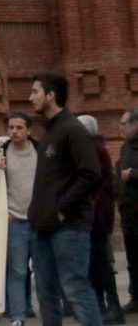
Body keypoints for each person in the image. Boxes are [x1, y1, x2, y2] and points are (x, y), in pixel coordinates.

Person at [27, 72, 103, 326]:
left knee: (76, 289)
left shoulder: (72, 129)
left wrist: (63, 209)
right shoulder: (49, 131)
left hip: (69, 228)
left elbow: (91, 174)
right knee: (46, 294)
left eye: (35, 91)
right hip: (42, 227)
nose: (30, 97)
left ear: (51, 95)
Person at [77, 115, 124, 325]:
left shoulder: (94, 150)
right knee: (96, 264)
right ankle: (101, 306)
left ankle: (111, 307)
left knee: (100, 264)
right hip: (97, 216)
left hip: (96, 217)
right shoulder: (96, 148)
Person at [0, 112, 39, 326]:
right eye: (11, 127)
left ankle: (50, 314)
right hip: (15, 221)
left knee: (43, 271)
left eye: (19, 127)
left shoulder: (40, 152)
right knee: (17, 271)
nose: (14, 131)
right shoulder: (1, 154)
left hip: (40, 221)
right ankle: (17, 317)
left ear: (29, 130)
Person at [118, 108, 138, 314]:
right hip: (129, 214)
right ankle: (136, 297)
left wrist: (133, 175)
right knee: (133, 260)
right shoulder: (125, 147)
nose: (121, 127)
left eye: (124, 124)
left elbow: (128, 174)